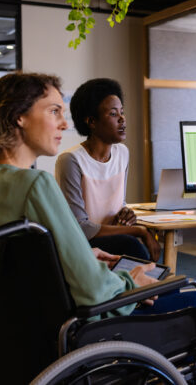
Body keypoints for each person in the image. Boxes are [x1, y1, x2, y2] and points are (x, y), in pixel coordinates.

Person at [0, 72, 196, 382]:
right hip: (79, 331)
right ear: (19, 116)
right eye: (54, 111)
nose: (63, 123)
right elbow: (92, 290)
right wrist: (131, 282)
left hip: (16, 331)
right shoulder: (34, 184)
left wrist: (88, 257)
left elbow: (23, 260)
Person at [55, 78, 160, 261]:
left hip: (114, 238)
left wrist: (126, 214)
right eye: (113, 114)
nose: (122, 119)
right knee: (133, 244)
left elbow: (119, 204)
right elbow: (81, 228)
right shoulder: (71, 160)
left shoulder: (123, 153)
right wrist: (139, 230)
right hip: (84, 246)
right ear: (91, 122)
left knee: (143, 247)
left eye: (122, 112)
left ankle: (154, 286)